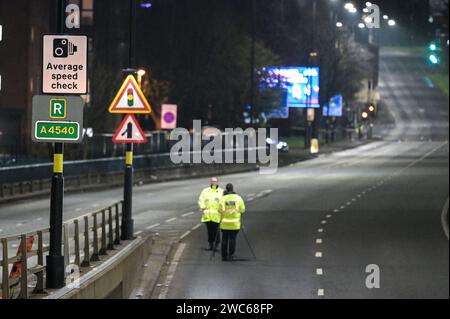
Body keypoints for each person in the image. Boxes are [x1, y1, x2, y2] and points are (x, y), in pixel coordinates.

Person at [219, 183, 246, 261]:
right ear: (233, 189)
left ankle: (224, 256)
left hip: (224, 223)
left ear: (226, 189)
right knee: (232, 239)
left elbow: (219, 210)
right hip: (235, 224)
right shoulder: (238, 198)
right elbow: (243, 209)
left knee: (224, 239)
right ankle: (231, 255)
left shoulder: (222, 199)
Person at [198, 177, 223, 251]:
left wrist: (221, 209)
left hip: (216, 215)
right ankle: (211, 244)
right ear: (211, 182)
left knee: (216, 231)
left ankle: (216, 243)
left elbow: (224, 201)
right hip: (207, 215)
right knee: (209, 231)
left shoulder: (221, 191)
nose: (214, 183)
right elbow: (200, 200)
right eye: (212, 181)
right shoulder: (205, 191)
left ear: (218, 182)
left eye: (215, 181)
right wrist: (203, 207)